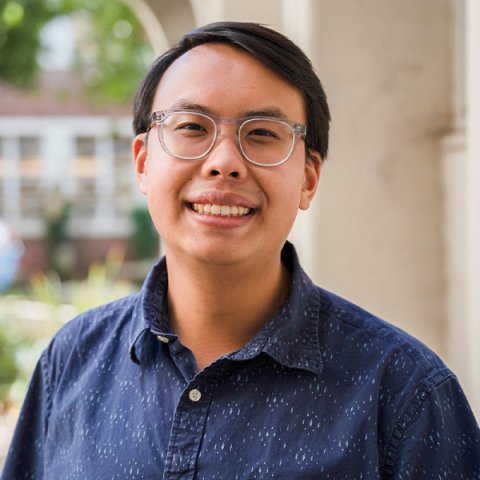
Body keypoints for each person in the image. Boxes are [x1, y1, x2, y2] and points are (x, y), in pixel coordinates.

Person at [2, 21, 479, 480]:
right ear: (143, 163)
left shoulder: (403, 393)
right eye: (192, 127)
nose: (224, 163)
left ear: (309, 179)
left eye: (263, 134)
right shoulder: (74, 359)